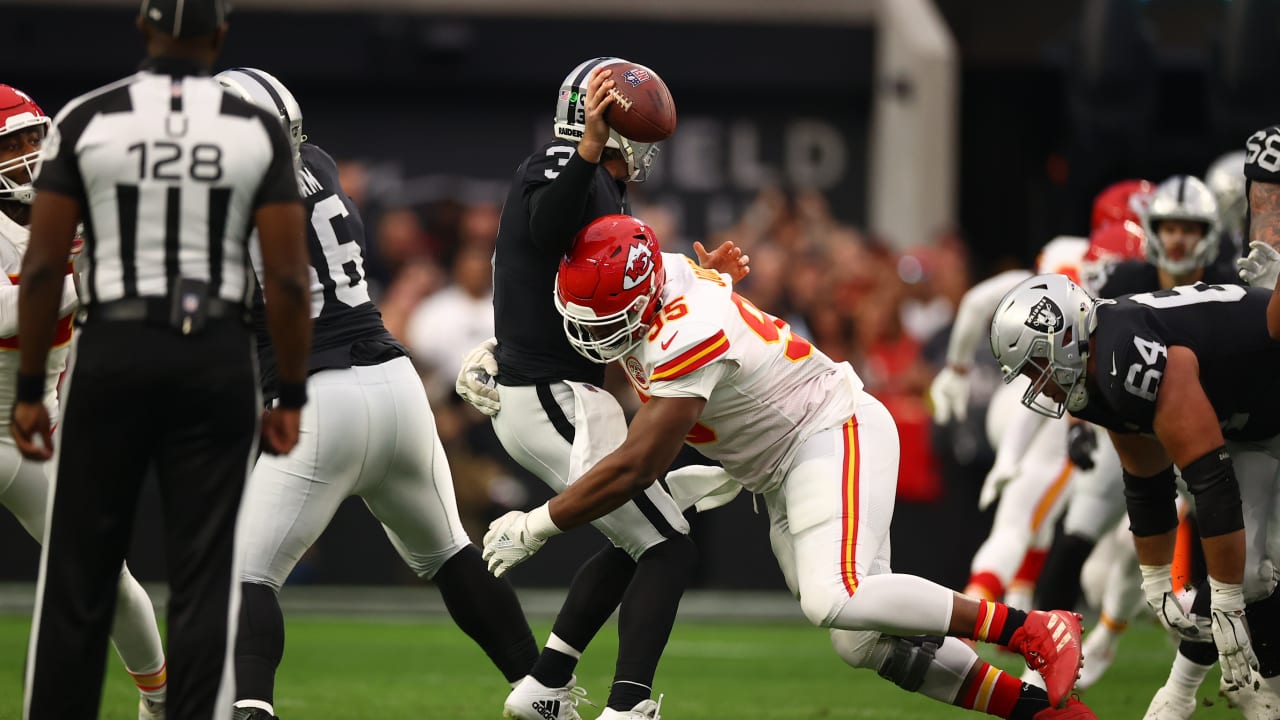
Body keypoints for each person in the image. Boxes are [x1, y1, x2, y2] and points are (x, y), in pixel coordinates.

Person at [483, 213, 1096, 720]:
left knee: (837, 596)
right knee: (861, 638)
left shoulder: (686, 331)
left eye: (607, 322)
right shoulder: (662, 276)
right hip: (783, 465)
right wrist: (505, 360)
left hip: (832, 427)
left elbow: (637, 465)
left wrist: (537, 525)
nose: (594, 338)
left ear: (643, 299)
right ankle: (1045, 713)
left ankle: (1032, 628)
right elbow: (652, 302)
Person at [12, 2, 313, 717]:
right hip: (214, 354)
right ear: (221, 36)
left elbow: (47, 261)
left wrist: (29, 387)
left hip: (114, 345)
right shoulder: (255, 128)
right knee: (205, 576)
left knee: (79, 571)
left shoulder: (86, 118)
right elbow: (290, 278)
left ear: (143, 29)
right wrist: (293, 395)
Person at [214, 67, 541, 720]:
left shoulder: (225, 195)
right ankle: (544, 693)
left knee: (242, 578)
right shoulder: (321, 165)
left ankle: (250, 709)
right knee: (452, 555)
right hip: (395, 386)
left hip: (319, 395)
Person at [455, 57, 747, 720]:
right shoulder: (559, 168)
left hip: (564, 391)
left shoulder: (598, 185)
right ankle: (626, 707)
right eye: (633, 138)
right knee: (668, 546)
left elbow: (600, 297)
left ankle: (544, 687)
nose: (643, 154)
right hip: (548, 396)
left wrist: (702, 283)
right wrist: (587, 148)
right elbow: (544, 229)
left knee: (642, 539)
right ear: (596, 125)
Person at [988, 273, 1280, 719]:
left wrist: (1224, 599)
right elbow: (1147, 478)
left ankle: (1185, 696)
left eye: (1036, 366)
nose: (1038, 384)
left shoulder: (1124, 354)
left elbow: (1210, 478)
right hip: (1249, 424)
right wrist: (1157, 580)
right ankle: (1222, 696)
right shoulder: (1094, 374)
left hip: (1267, 393)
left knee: (1250, 575)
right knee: (1252, 576)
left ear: (1064, 338)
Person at [1033, 174, 1249, 706]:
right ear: (1150, 229)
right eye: (1168, 227)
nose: (1176, 239)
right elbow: (1074, 353)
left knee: (1215, 534)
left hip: (1207, 429)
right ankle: (1042, 658)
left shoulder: (1227, 277)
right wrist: (1081, 426)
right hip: (1131, 430)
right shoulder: (1125, 275)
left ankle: (1193, 659)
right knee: (1079, 531)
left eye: (1188, 228)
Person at [0, 83, 169, 720]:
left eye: (31, 137)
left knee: (105, 571)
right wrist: (83, 277)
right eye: (8, 143)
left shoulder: (80, 211)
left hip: (40, 430)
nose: (26, 154)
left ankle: (160, 699)